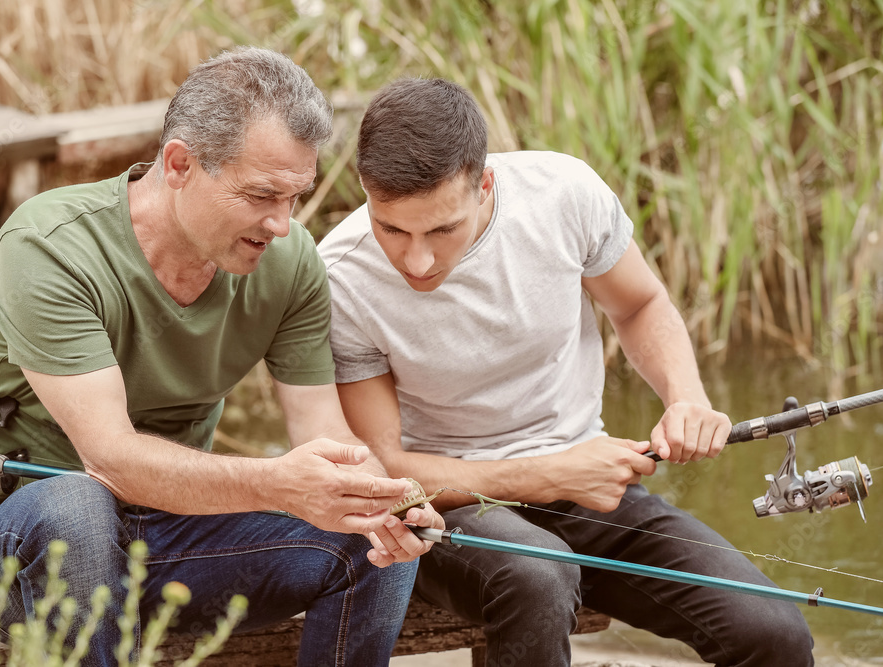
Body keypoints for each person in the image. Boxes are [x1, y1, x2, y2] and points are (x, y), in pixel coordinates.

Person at [0, 48, 442, 666]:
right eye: (261, 195)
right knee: (77, 506)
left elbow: (326, 434)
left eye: (296, 197)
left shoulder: (289, 263)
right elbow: (112, 460)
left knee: (367, 537)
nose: (283, 224)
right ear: (179, 164)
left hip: (173, 540)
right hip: (21, 550)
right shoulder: (46, 248)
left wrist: (385, 498)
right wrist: (277, 484)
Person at [317, 77, 815, 666]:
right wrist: (552, 474)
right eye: (392, 229)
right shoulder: (341, 276)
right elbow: (388, 473)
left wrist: (687, 398)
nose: (417, 260)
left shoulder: (563, 193)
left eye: (442, 229)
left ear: (484, 184)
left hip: (589, 491)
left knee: (772, 632)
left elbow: (640, 305)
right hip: (444, 513)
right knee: (539, 575)